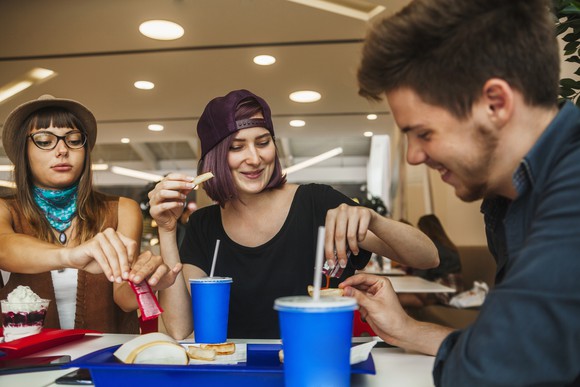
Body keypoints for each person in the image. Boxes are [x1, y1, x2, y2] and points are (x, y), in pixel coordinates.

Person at [340, 0, 580, 385]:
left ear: (495, 103)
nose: (414, 157)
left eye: (423, 133)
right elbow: (510, 352)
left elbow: (488, 374)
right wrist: (408, 330)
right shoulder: (506, 199)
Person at [148, 89, 438, 340]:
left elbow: (427, 257)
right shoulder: (204, 225)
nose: (255, 158)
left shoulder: (319, 203)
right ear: (213, 160)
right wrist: (167, 229)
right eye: (237, 147)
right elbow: (179, 329)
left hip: (321, 365)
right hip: (237, 372)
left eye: (263, 142)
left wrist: (375, 220)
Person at [0, 95, 181, 333]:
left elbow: (123, 298)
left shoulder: (121, 209)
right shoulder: (6, 208)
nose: (62, 150)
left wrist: (147, 282)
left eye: (74, 140)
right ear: (23, 151)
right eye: (45, 141)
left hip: (103, 360)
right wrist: (71, 255)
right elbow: (5, 248)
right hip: (29, 364)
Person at [399, 214, 463, 308]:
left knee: (400, 298)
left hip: (444, 291)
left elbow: (421, 276)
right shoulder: (447, 244)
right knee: (405, 298)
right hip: (455, 288)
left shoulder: (432, 249)